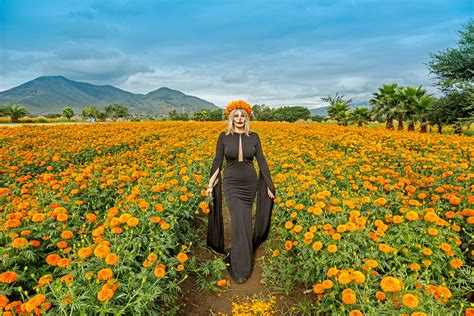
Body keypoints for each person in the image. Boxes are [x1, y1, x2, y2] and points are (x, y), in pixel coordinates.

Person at [206, 100, 276, 284]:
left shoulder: (254, 137)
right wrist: (210, 185)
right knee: (239, 219)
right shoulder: (223, 137)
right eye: (235, 116)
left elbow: (262, 162)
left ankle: (241, 255)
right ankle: (240, 267)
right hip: (231, 183)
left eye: (242, 116)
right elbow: (217, 162)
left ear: (247, 118)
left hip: (249, 183)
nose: (239, 119)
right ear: (231, 118)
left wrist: (269, 184)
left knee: (244, 219)